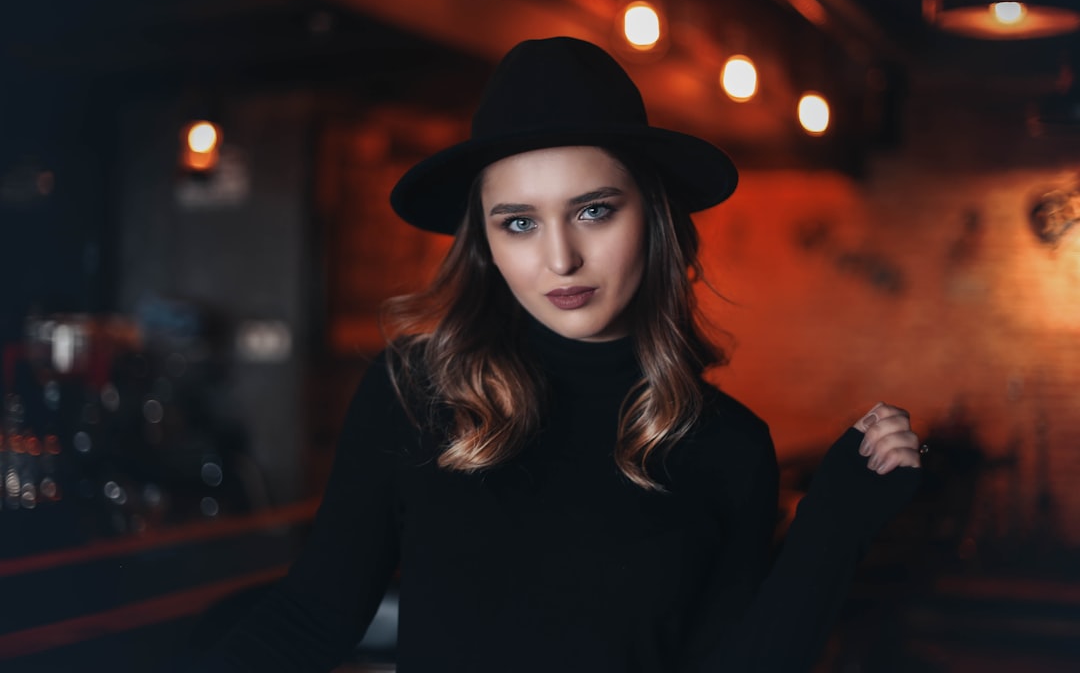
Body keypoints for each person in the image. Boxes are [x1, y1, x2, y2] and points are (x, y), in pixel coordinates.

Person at [201, 36, 923, 672]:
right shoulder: (417, 393)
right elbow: (312, 617)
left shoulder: (728, 447)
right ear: (486, 243)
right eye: (518, 223)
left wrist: (834, 526)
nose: (561, 259)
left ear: (656, 214)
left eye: (594, 210)